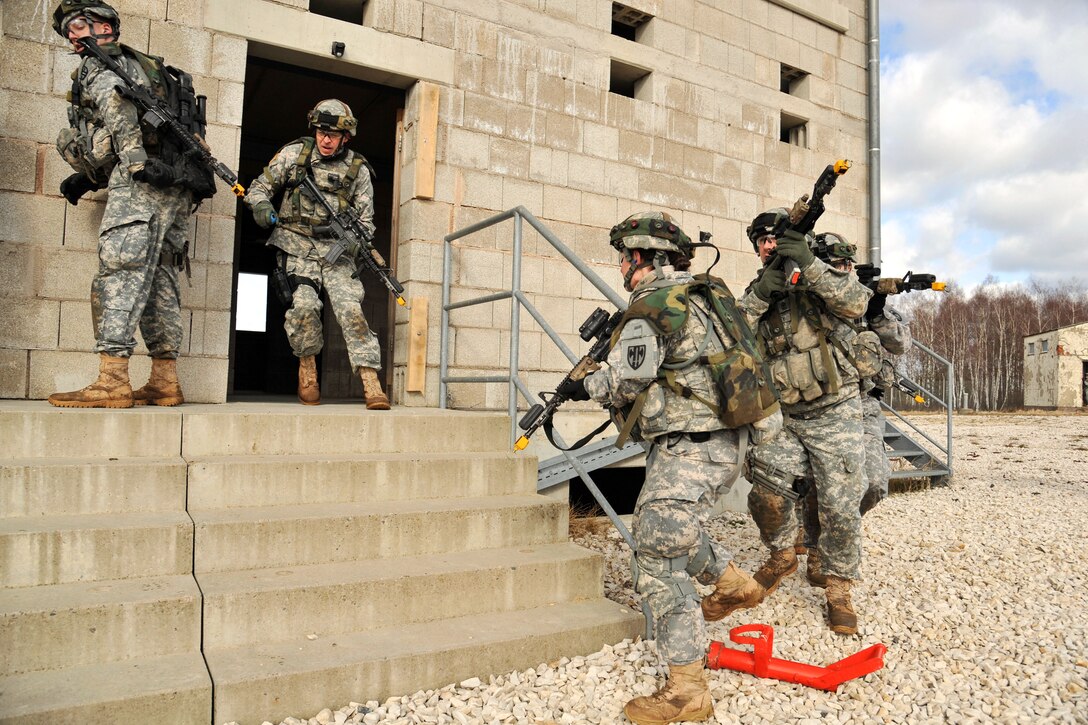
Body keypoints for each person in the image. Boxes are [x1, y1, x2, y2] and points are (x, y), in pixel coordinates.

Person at [559, 212, 778, 724]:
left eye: (624, 257)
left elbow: (625, 384)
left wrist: (581, 384)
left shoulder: (653, 308)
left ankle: (687, 690)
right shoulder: (708, 294)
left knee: (656, 553)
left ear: (643, 257)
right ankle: (732, 583)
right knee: (674, 530)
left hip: (690, 449)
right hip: (725, 443)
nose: (619, 266)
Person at [48, 0, 205, 408]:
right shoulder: (150, 69)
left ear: (105, 27)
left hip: (142, 183)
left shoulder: (101, 65)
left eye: (79, 24)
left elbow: (117, 122)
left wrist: (112, 160)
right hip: (177, 185)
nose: (73, 34)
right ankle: (164, 381)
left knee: (118, 271)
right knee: (159, 281)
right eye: (68, 29)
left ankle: (112, 379)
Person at [728, 210, 872, 635]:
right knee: (766, 499)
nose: (769, 246)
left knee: (839, 507)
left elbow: (857, 301)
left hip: (835, 410)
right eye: (762, 241)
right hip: (785, 415)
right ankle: (783, 554)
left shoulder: (821, 278)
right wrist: (759, 297)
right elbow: (732, 336)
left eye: (776, 239)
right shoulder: (758, 291)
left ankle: (838, 587)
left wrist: (809, 264)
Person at [244, 100, 389, 409]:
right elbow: (258, 188)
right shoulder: (296, 154)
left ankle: (370, 380)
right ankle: (307, 369)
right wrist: (261, 206)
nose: (325, 139)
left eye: (333, 135)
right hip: (297, 245)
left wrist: (354, 240)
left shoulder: (358, 170)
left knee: (351, 310)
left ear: (346, 137)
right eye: (322, 132)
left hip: (337, 253)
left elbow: (366, 221)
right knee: (305, 306)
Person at [796, 233, 912, 587]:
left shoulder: (865, 300)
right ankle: (820, 551)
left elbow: (901, 344)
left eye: (847, 264)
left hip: (863, 405)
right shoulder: (808, 302)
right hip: (822, 405)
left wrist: (875, 312)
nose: (842, 270)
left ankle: (828, 534)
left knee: (874, 483)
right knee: (822, 484)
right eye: (835, 264)